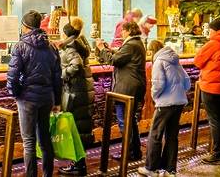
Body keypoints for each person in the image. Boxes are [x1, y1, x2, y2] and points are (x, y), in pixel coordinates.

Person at [7, 10, 62, 177]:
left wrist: (16, 94)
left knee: (29, 142)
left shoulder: (20, 46)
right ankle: (47, 174)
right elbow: (57, 77)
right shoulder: (51, 46)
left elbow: (13, 76)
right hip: (47, 97)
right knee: (45, 139)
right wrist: (57, 100)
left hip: (27, 99)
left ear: (25, 27)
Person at [96, 21, 146, 162]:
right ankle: (135, 151)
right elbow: (121, 57)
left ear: (129, 30)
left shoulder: (131, 45)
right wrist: (109, 49)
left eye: (123, 31)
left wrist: (102, 49)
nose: (121, 33)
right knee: (131, 121)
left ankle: (129, 152)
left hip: (127, 88)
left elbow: (114, 61)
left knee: (124, 121)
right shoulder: (136, 43)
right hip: (134, 87)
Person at [140, 40, 191, 177]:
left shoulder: (158, 61)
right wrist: (179, 91)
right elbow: (187, 82)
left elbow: (158, 85)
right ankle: (170, 170)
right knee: (172, 136)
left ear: (151, 51)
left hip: (165, 103)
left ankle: (151, 169)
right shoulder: (175, 60)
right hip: (179, 102)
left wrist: (154, 97)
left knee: (155, 134)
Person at [194, 17, 220, 165]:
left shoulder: (213, 43)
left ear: (214, 30)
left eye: (210, 29)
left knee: (214, 121)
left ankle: (217, 153)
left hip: (210, 86)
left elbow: (197, 61)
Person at [57, 19, 94, 175]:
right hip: (82, 92)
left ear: (65, 33)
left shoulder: (70, 47)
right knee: (79, 128)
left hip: (75, 93)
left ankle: (79, 166)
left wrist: (62, 74)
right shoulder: (80, 43)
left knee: (76, 129)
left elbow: (76, 65)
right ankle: (79, 164)